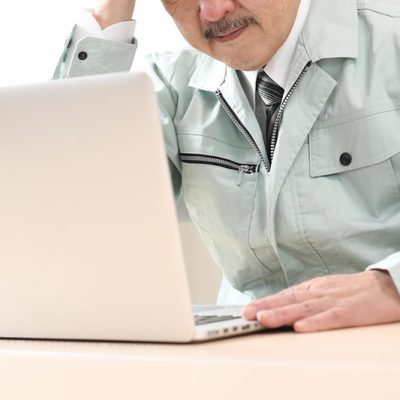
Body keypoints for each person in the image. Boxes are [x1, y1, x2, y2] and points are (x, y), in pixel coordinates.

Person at [55, 0, 400, 333]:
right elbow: (75, 204)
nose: (212, 11)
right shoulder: (172, 79)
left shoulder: (391, 38)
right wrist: (109, 14)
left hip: (382, 340)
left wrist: (390, 286)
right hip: (246, 345)